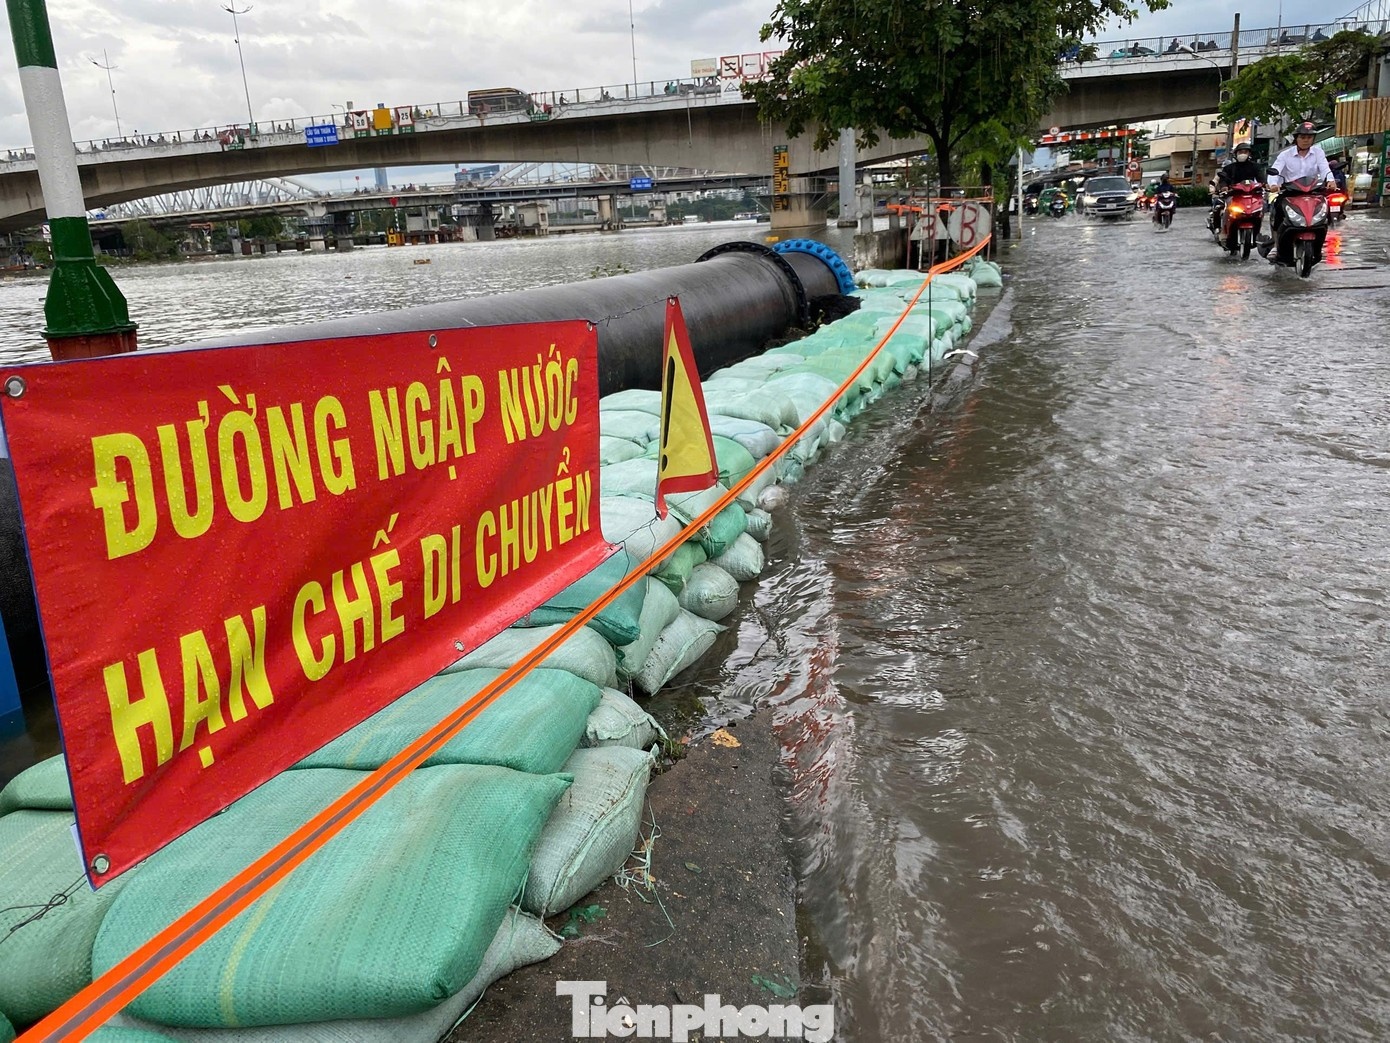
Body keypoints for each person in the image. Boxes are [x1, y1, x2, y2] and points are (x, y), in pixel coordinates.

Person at [1260, 121, 1335, 256]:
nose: (1306, 140)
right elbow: (1275, 170)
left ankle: (1320, 243)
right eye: (1303, 137)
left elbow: (1325, 168)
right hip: (1290, 192)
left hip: (1313, 192)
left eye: (1309, 137)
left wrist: (1330, 180)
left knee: (1325, 211)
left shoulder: (1318, 153)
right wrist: (1273, 184)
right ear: (1296, 138)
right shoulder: (1285, 155)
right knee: (1276, 209)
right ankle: (1276, 245)